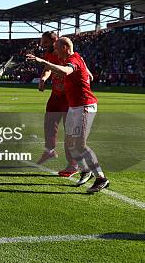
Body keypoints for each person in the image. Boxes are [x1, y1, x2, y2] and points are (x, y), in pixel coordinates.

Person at [27, 37, 109, 193]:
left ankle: (101, 178)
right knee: (71, 142)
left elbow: (66, 71)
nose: (55, 52)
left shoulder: (73, 60)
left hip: (85, 106)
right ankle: (86, 170)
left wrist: (42, 61)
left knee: (80, 144)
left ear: (65, 47)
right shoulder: (75, 58)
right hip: (74, 106)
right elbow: (82, 72)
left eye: (57, 49)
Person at [35, 32, 78, 176]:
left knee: (69, 131)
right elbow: (47, 69)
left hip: (68, 98)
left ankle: (73, 164)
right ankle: (50, 151)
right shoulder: (50, 54)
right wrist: (43, 79)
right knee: (49, 124)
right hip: (55, 95)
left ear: (55, 42)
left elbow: (76, 66)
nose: (42, 45)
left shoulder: (68, 56)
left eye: (45, 42)